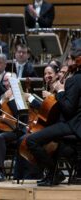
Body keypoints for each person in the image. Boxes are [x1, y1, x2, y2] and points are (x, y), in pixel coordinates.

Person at [25, 49, 81, 186]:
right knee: (48, 136)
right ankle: (52, 174)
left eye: (68, 59)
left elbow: (68, 109)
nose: (67, 62)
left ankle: (55, 172)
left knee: (32, 140)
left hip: (73, 124)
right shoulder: (74, 78)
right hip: (73, 123)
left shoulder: (74, 80)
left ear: (75, 61)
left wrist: (60, 91)